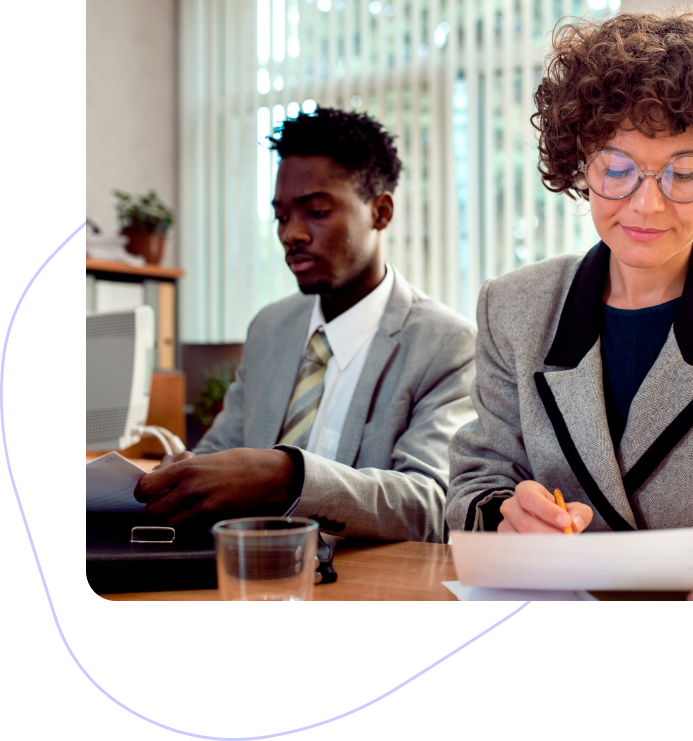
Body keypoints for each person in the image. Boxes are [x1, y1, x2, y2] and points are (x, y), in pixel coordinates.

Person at [445, 7, 693, 600]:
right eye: (617, 169)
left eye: (684, 172)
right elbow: (476, 482)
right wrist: (505, 517)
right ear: (580, 164)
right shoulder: (513, 309)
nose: (647, 204)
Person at [135, 107, 477, 543]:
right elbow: (216, 454)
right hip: (246, 572)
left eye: (315, 211)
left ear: (381, 212)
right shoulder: (270, 328)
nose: (290, 234)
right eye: (281, 216)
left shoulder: (447, 343)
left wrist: (289, 478)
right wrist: (183, 474)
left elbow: (430, 506)